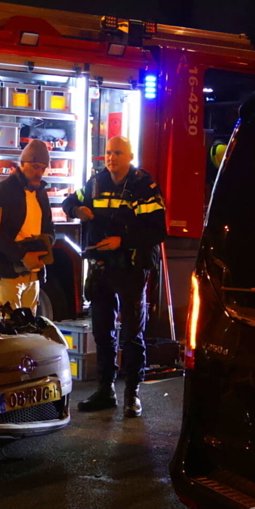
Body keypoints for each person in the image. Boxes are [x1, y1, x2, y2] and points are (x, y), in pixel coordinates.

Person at [62, 136, 166, 416]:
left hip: (131, 268)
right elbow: (69, 201)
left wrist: (123, 240)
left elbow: (158, 230)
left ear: (130, 156)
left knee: (132, 334)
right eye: (108, 153)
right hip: (101, 268)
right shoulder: (96, 182)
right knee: (102, 332)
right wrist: (76, 210)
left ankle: (132, 393)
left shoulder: (145, 186)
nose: (111, 158)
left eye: (117, 153)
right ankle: (105, 390)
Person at [0, 139, 56, 314]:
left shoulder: (41, 193)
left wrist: (46, 245)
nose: (39, 173)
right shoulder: (4, 191)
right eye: (35, 167)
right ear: (22, 164)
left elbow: (49, 227)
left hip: (32, 272)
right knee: (9, 327)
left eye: (42, 168)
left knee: (29, 327)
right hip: (6, 273)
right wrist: (23, 255)